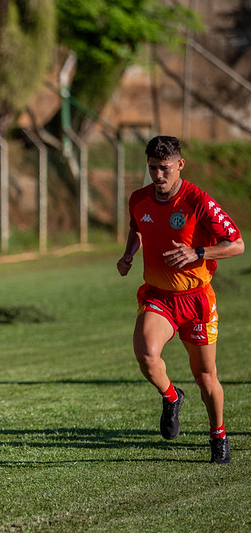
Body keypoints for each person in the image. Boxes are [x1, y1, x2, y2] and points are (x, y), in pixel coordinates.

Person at [117, 135, 244, 464]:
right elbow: (137, 228)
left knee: (205, 377)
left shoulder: (198, 201)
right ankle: (172, 397)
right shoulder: (139, 199)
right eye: (152, 169)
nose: (157, 176)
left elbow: (236, 244)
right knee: (146, 355)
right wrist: (128, 255)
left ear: (180, 165)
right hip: (160, 297)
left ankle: (218, 435)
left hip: (197, 300)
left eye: (164, 169)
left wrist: (198, 252)